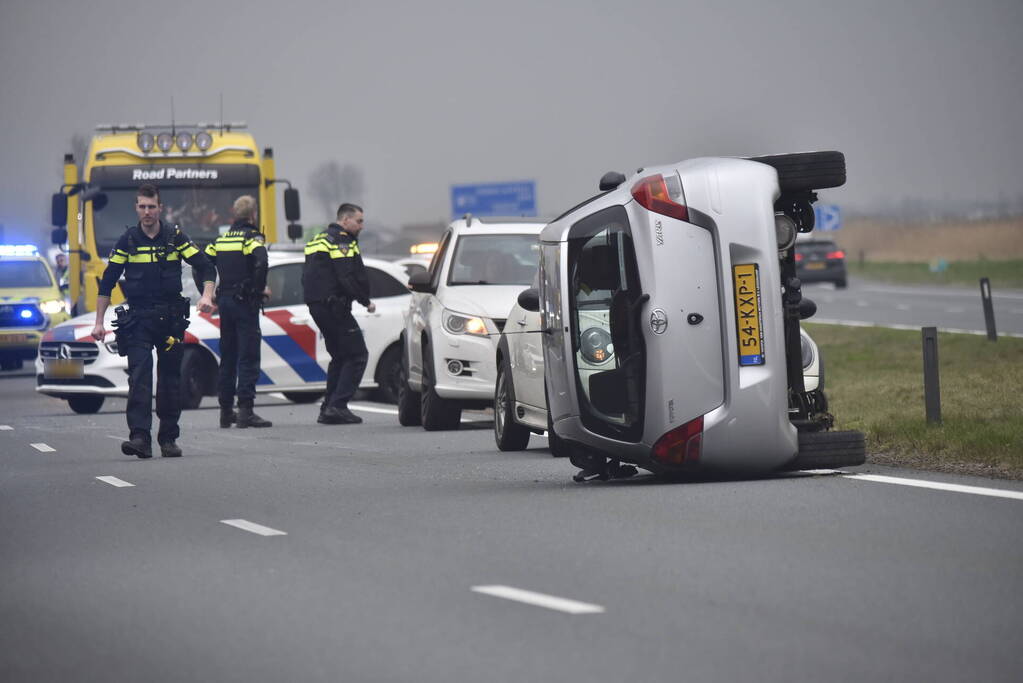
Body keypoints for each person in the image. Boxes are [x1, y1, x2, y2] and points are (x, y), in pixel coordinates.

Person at [91, 184, 216, 459]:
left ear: (160, 208)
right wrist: (99, 322)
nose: (147, 212)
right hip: (138, 319)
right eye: (142, 206)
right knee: (140, 377)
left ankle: (169, 439)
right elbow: (107, 283)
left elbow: (205, 265)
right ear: (136, 208)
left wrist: (207, 295)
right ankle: (140, 438)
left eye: (151, 207)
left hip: (170, 320)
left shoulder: (174, 236)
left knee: (171, 379)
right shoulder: (128, 240)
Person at [302, 203, 374, 424]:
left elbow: (308, 276)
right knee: (358, 355)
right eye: (359, 221)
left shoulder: (317, 239)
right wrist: (365, 300)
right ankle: (338, 405)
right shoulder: (342, 240)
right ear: (345, 220)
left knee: (340, 356)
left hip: (318, 305)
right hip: (334, 306)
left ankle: (328, 408)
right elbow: (346, 276)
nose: (362, 226)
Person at [205, 195, 272, 429]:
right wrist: (257, 289)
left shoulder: (221, 239)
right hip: (245, 304)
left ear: (234, 214)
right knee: (248, 356)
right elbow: (261, 262)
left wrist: (207, 293)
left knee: (228, 357)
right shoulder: (252, 238)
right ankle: (246, 412)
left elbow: (202, 264)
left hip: (224, 302)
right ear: (253, 215)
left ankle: (225, 412)